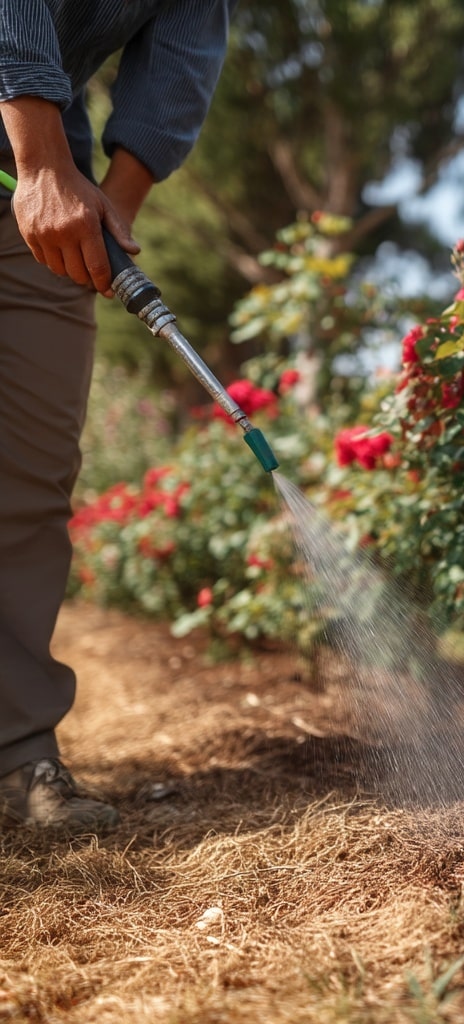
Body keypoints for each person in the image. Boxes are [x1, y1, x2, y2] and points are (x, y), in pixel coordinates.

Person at [0, 1, 238, 833]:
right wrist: (36, 158)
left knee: (29, 478)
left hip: (37, 190)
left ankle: (17, 756)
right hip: (31, 158)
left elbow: (182, 51)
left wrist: (113, 205)